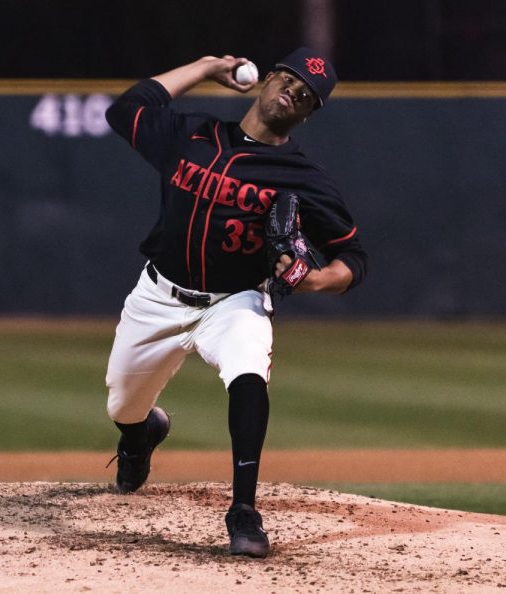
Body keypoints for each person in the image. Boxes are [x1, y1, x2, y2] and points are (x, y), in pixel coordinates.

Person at [103, 48, 367, 558]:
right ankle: (140, 435)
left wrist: (315, 280)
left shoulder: (303, 178)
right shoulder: (192, 135)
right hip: (158, 297)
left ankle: (244, 510)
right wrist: (204, 67)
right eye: (289, 80)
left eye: (306, 96)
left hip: (235, 302)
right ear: (266, 80)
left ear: (307, 114)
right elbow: (125, 110)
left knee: (248, 373)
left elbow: (354, 257)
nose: (293, 92)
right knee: (122, 404)